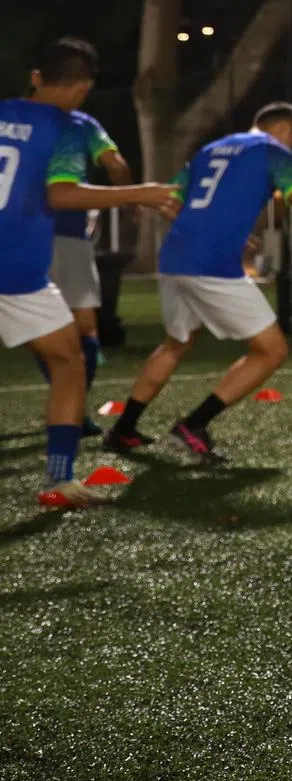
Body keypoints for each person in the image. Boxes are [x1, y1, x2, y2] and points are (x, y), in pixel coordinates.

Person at [104, 103, 292, 463]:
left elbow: (169, 201)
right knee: (272, 350)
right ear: (286, 131)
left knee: (177, 343)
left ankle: (123, 428)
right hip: (211, 263)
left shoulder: (211, 149)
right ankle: (193, 425)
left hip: (175, 257)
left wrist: (207, 229)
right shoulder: (274, 151)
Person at [0, 37, 178, 507]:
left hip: (23, 265)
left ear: (37, 77)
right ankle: (58, 481)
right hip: (15, 269)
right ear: (83, 87)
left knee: (69, 355)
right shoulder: (69, 127)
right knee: (69, 361)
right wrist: (137, 193)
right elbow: (61, 194)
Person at [37, 102, 134, 437]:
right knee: (84, 330)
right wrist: (129, 198)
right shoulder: (80, 124)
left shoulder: (13, 121)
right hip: (65, 233)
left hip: (20, 236)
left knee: (41, 327)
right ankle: (72, 407)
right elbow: (116, 165)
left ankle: (66, 404)